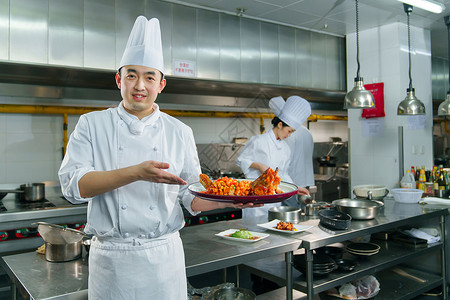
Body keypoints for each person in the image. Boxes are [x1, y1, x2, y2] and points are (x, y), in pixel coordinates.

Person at [58, 16, 257, 300]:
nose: (140, 85)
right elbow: (72, 187)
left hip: (164, 260)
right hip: (112, 260)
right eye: (131, 75)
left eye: (149, 77)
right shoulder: (91, 124)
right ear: (119, 79)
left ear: (161, 84)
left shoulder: (179, 131)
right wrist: (136, 172)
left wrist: (233, 199)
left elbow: (191, 197)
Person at [236, 95, 311, 221]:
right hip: (256, 201)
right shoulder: (259, 141)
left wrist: (295, 188)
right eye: (289, 131)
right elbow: (240, 160)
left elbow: (284, 175)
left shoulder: (286, 148)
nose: (290, 135)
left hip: (275, 202)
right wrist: (259, 166)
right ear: (280, 125)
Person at [285, 125, 315, 207]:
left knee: (291, 212)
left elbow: (286, 159)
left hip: (291, 181)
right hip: (305, 179)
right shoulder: (307, 132)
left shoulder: (289, 133)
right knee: (304, 210)